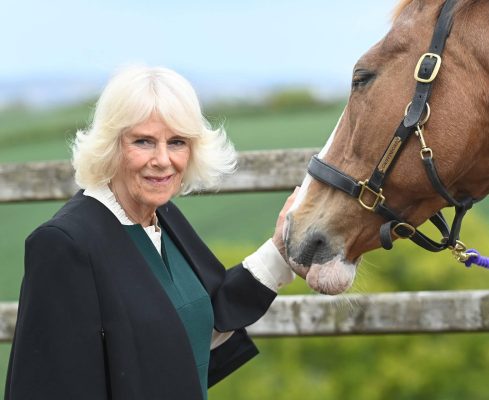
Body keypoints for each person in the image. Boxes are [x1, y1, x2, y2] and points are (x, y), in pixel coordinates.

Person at [5, 65, 297, 400]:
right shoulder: (64, 244)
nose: (162, 159)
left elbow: (207, 318)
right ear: (112, 146)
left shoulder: (164, 217)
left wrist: (281, 250)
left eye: (177, 142)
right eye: (143, 141)